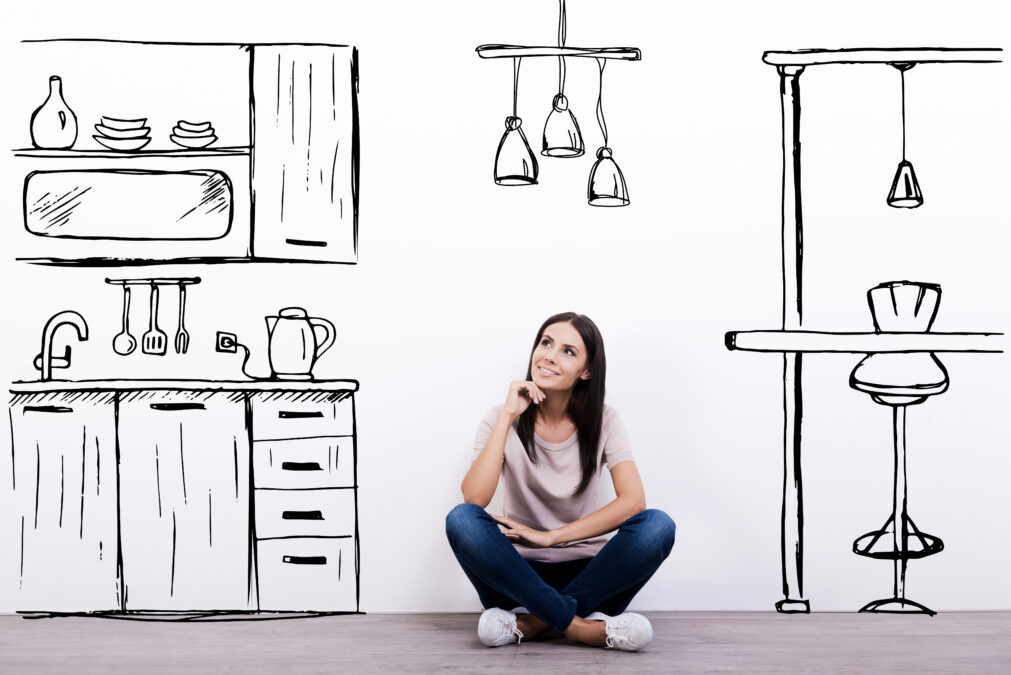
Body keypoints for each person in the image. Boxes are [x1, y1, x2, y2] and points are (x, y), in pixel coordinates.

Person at [445, 312, 676, 651]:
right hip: (517, 577)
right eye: (546, 343)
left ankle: (532, 624)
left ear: (587, 371)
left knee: (657, 525)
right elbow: (474, 498)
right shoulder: (500, 417)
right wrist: (509, 416)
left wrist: (550, 538)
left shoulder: (606, 420)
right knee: (461, 520)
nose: (550, 356)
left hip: (592, 577)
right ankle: (581, 628)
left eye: (568, 351)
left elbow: (633, 503)